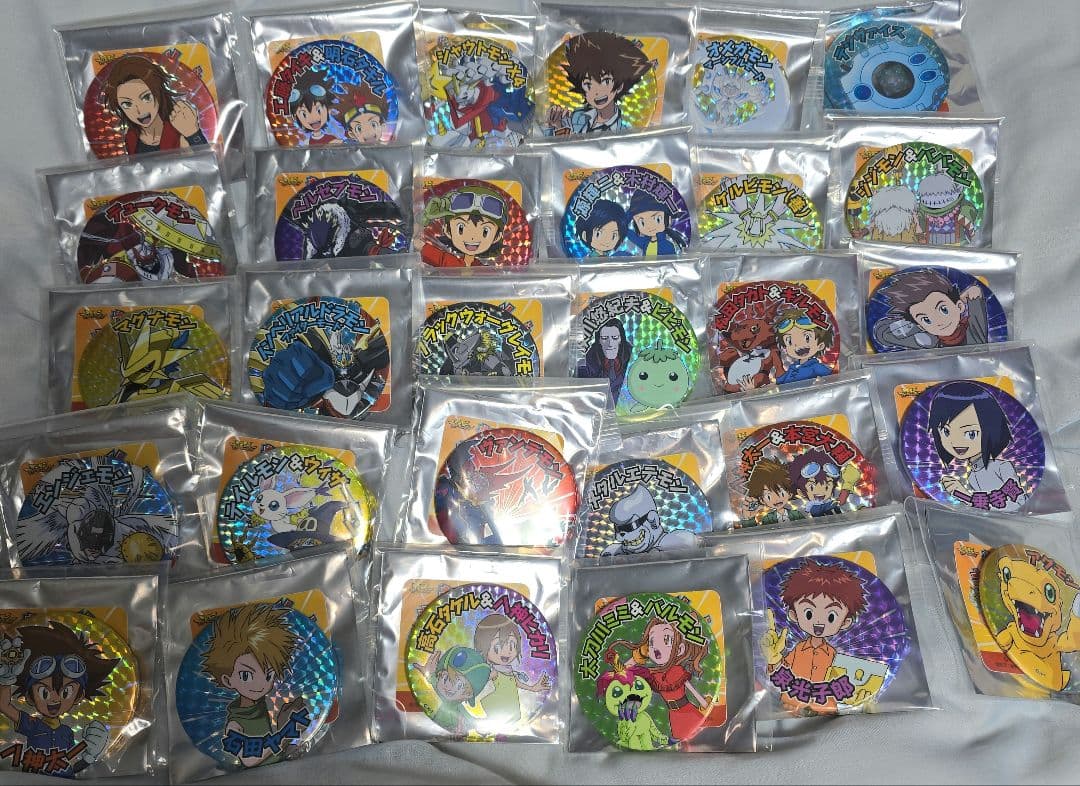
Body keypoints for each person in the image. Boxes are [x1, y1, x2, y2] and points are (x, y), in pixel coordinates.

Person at [0, 621, 117, 777]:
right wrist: (6, 681)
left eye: (66, 692)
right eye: (44, 692)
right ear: (30, 697)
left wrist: (90, 755)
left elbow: (71, 764)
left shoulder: (67, 732)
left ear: (79, 696)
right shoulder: (32, 725)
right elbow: (4, 705)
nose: (55, 700)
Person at [200, 604, 310, 768]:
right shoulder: (235, 723)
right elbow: (249, 758)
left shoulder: (261, 706)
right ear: (228, 680)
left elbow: (271, 748)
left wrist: (286, 726)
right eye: (246, 675)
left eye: (269, 675)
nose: (261, 684)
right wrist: (287, 731)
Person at [760, 560, 868, 713]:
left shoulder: (833, 656)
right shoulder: (799, 649)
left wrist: (854, 697)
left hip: (825, 709)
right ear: (794, 614)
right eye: (809, 613)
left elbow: (840, 686)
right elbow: (780, 675)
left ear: (845, 622)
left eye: (831, 616)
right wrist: (774, 660)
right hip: (791, 703)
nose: (819, 622)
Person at [926, 381, 1028, 512]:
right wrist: (959, 493)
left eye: (971, 433)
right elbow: (982, 508)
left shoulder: (1003, 467)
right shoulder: (972, 476)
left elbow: (1018, 503)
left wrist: (963, 494)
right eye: (946, 432)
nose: (956, 442)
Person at [611, 617, 710, 741]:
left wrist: (704, 703)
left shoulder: (678, 671)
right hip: (673, 715)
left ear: (680, 649)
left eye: (666, 640)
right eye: (652, 642)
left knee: (697, 737)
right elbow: (623, 672)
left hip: (688, 710)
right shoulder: (654, 675)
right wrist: (637, 657)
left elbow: (691, 688)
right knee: (681, 738)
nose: (656, 647)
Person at [546, 32, 655, 136]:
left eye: (605, 81)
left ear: (619, 86)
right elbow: (555, 141)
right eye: (588, 85)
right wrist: (557, 126)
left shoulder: (623, 132)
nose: (597, 92)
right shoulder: (577, 117)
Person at [103, 54, 207, 154]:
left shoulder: (179, 134)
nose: (139, 110)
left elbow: (205, 162)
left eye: (146, 97)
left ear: (158, 92)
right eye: (127, 104)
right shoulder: (131, 137)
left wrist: (193, 134)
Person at [872, 268, 989, 351]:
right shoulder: (927, 341)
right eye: (926, 319)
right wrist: (914, 325)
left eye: (943, 309)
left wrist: (974, 299)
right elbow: (882, 332)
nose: (939, 322)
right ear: (921, 326)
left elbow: (975, 294)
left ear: (959, 307)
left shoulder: (973, 334)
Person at [473, 614, 551, 727]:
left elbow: (516, 683)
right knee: (498, 723)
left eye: (512, 646)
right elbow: (480, 682)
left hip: (511, 705)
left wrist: (533, 688)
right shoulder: (494, 672)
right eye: (497, 647)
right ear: (484, 648)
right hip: (500, 704)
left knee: (512, 720)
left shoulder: (508, 670)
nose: (507, 652)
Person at [422, 186, 508, 267]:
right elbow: (418, 245)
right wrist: (424, 219)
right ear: (447, 230)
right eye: (461, 228)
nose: (472, 238)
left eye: (485, 231)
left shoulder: (484, 270)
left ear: (497, 236)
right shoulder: (447, 261)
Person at [774, 308, 834, 384]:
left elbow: (831, 378)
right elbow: (780, 380)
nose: (797, 344)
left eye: (807, 338)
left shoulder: (815, 367)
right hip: (788, 391)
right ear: (785, 348)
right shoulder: (792, 368)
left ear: (820, 345)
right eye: (789, 341)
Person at [581, 318, 632, 401]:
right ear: (599, 341)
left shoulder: (632, 355)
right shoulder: (588, 359)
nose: (610, 344)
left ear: (621, 339)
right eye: (604, 338)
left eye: (615, 338)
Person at [745, 458, 805, 525]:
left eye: (781, 493)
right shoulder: (767, 518)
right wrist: (748, 518)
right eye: (768, 496)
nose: (776, 499)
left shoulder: (796, 514)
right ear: (761, 500)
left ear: (789, 493)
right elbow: (757, 529)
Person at [289, 71, 337, 145]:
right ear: (296, 117)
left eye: (318, 110)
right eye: (304, 114)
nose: (313, 118)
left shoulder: (335, 138)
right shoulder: (305, 143)